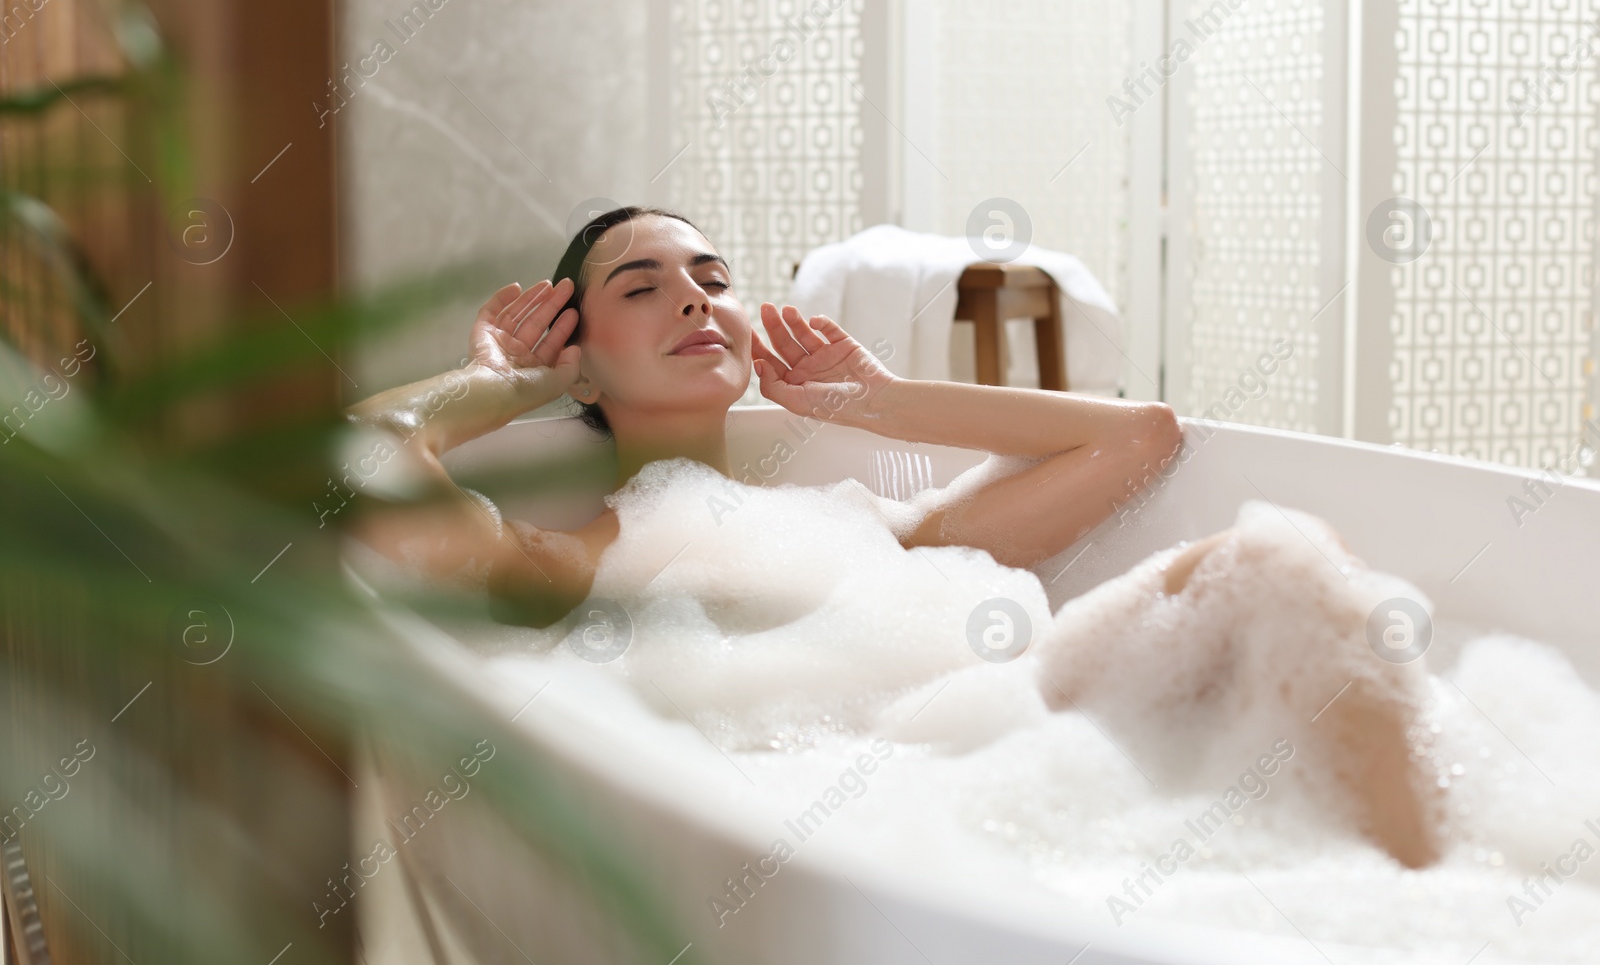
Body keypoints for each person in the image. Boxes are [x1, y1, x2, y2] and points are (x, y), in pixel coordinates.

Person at [345, 205, 1441, 869]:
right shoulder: (581, 568)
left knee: (1279, 555)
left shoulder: (872, 530)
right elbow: (363, 454)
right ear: (577, 362)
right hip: (858, 827)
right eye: (644, 286)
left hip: (1007, 765)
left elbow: (1142, 438)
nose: (694, 299)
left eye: (712, 279)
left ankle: (1428, 903)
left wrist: (878, 402)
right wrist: (499, 381)